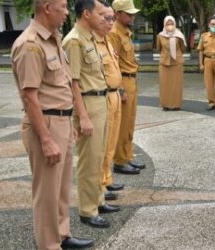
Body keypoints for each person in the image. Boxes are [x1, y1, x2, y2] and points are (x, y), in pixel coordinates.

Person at [11, 0, 94, 248]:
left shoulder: (53, 39)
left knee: (60, 187)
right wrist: (46, 139)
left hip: (61, 120)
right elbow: (29, 96)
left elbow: (62, 83)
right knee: (47, 192)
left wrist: (69, 121)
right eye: (63, 7)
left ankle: (62, 234)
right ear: (47, 7)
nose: (67, 12)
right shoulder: (30, 44)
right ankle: (49, 244)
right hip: (44, 123)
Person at [62, 0, 120, 229]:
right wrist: (83, 116)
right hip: (88, 103)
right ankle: (87, 210)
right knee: (89, 160)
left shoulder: (91, 37)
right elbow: (73, 82)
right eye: (99, 14)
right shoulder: (74, 41)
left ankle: (98, 199)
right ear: (86, 14)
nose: (103, 18)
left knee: (99, 156)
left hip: (101, 100)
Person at [108, 0, 145, 174]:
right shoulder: (114, 33)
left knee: (129, 122)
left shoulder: (125, 32)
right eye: (128, 13)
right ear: (117, 13)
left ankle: (127, 156)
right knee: (123, 125)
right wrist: (120, 89)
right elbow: (113, 63)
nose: (132, 16)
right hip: (123, 80)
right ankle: (120, 161)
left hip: (132, 79)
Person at [94, 1, 125, 201]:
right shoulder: (92, 42)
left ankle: (107, 179)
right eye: (107, 18)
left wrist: (120, 88)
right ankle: (100, 184)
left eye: (112, 18)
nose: (110, 22)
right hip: (103, 96)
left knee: (111, 141)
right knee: (102, 145)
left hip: (115, 94)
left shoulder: (107, 41)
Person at [156, 15, 187, 111]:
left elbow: (183, 49)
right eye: (168, 23)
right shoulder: (160, 35)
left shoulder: (179, 35)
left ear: (175, 24)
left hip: (177, 63)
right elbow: (158, 48)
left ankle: (176, 104)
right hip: (164, 63)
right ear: (164, 24)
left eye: (171, 23)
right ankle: (165, 104)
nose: (170, 25)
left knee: (176, 85)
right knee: (164, 84)